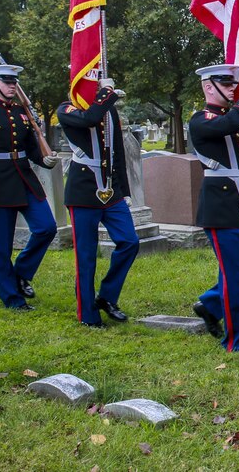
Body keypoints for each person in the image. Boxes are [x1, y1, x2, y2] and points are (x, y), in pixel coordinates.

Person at [0, 64, 59, 311]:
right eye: (6, 81)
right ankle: (12, 298)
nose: (11, 86)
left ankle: (21, 273)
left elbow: (30, 147)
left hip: (24, 178)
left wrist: (43, 160)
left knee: (46, 227)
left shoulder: (22, 111)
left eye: (13, 82)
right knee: (1, 245)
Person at [189, 64, 239, 353]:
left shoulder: (229, 117)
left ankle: (211, 304)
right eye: (226, 83)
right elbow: (229, 125)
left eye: (235, 84)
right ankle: (235, 341)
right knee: (234, 277)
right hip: (220, 208)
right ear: (209, 87)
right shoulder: (202, 120)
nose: (234, 88)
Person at [57, 78, 139, 327]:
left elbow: (118, 152)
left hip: (110, 190)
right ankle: (88, 315)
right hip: (83, 191)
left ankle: (106, 296)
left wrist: (123, 188)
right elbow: (88, 119)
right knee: (86, 255)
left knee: (129, 242)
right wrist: (107, 95)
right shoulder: (66, 109)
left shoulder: (108, 109)